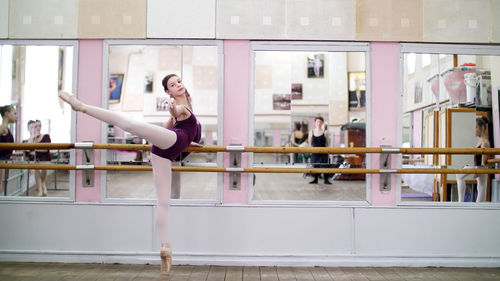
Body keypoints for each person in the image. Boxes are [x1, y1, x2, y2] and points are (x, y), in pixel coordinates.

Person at [59, 74, 201, 273]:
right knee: (130, 124)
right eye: (172, 85)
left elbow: (171, 132)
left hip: (163, 152)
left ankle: (166, 247)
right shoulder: (180, 109)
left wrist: (189, 139)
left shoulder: (186, 110)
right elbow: (175, 112)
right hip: (169, 145)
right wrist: (171, 107)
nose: (178, 85)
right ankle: (81, 106)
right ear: (167, 92)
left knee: (163, 202)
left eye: (178, 81)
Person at [456, 116, 492, 202]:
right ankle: (463, 202)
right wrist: (468, 166)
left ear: (482, 127)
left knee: (481, 187)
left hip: (481, 168)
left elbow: (483, 161)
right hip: (478, 167)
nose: (474, 130)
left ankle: (464, 203)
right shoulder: (480, 141)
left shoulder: (485, 142)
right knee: (480, 187)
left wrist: (477, 170)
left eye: (476, 127)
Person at [24, 120, 52, 196]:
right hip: (36, 160)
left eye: (39, 126)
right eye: (36, 126)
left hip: (45, 159)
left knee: (44, 172)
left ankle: (43, 184)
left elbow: (46, 149)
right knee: (36, 170)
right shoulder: (29, 140)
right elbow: (27, 152)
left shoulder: (46, 136)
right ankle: (40, 190)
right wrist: (32, 139)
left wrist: (34, 149)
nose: (38, 128)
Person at [308, 116, 331, 184]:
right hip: (314, 152)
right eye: (317, 121)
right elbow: (310, 143)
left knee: (325, 166)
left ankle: (326, 180)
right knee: (315, 166)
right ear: (315, 123)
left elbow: (327, 143)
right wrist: (311, 151)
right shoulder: (311, 132)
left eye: (320, 122)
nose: (319, 123)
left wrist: (327, 152)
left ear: (322, 123)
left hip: (323, 152)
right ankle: (315, 179)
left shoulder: (325, 132)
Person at [0, 105, 17, 195]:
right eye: (14, 113)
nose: (16, 116)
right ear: (6, 114)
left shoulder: (5, 128)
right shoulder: (3, 128)